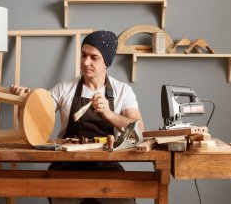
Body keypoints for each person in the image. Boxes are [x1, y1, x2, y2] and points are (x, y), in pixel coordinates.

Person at [10, 30, 144, 204]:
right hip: (67, 164)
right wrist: (25, 102)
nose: (85, 62)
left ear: (106, 62)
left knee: (124, 201)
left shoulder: (122, 91)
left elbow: (139, 131)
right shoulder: (65, 88)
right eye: (83, 55)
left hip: (106, 165)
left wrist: (110, 115)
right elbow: (33, 120)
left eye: (93, 57)